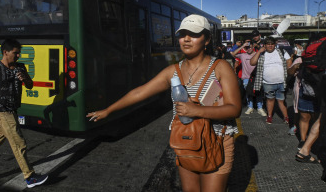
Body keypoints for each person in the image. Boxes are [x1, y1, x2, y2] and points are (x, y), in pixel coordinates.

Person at [87, 14, 242, 192]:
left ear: (206, 39)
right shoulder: (172, 71)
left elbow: (234, 109)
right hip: (186, 142)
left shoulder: (221, 67)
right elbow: (140, 92)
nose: (186, 39)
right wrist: (109, 110)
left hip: (216, 141)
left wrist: (196, 110)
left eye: (194, 34)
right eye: (182, 34)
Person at [0, 39, 48, 188]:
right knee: (19, 143)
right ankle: (30, 177)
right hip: (0, 111)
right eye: (15, 53)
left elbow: (30, 86)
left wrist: (25, 79)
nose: (18, 56)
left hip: (11, 111)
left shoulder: (20, 68)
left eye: (19, 53)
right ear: (5, 52)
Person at [250, 37, 292, 124]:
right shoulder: (261, 54)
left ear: (275, 45)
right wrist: (259, 52)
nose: (270, 46)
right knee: (270, 100)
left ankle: (286, 117)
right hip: (268, 83)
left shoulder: (281, 51)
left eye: (272, 44)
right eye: (268, 44)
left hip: (281, 82)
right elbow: (252, 62)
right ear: (264, 45)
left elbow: (289, 60)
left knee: (281, 100)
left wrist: (288, 70)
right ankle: (269, 116)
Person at [231, 40, 266, 116]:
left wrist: (258, 47)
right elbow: (233, 53)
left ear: (253, 47)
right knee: (248, 92)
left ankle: (260, 107)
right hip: (246, 77)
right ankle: (250, 106)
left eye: (250, 47)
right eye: (247, 48)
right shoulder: (243, 55)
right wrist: (242, 46)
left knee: (258, 92)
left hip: (256, 77)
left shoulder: (258, 54)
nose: (248, 49)